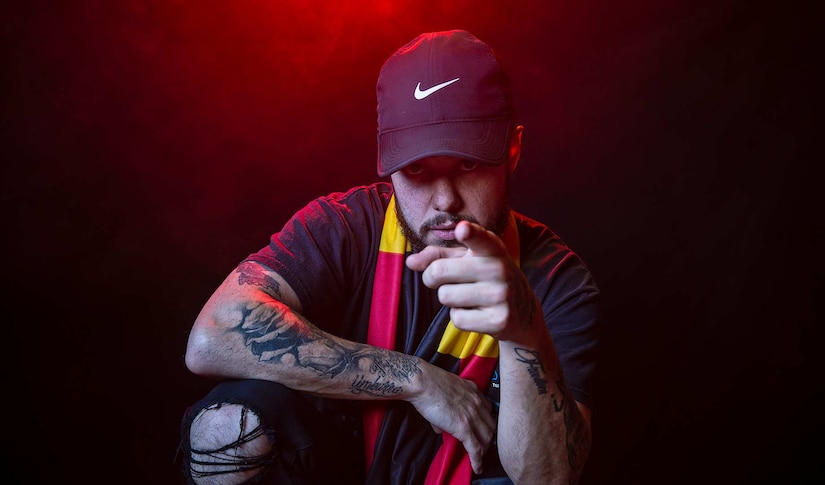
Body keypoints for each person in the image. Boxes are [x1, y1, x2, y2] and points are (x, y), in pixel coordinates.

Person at [177, 29, 600, 485]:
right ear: (390, 164)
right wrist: (414, 379)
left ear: (512, 150)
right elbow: (211, 337)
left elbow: (549, 478)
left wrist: (524, 331)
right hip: (336, 467)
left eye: (469, 164)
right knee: (225, 431)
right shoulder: (345, 226)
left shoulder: (559, 280)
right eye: (417, 170)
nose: (444, 201)